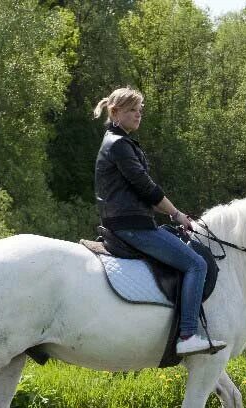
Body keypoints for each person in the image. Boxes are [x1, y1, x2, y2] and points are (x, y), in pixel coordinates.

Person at [92, 87, 226, 356]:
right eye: (132, 110)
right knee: (196, 264)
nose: (138, 114)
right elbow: (147, 188)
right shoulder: (118, 145)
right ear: (115, 112)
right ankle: (187, 335)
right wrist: (176, 214)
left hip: (130, 220)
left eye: (140, 110)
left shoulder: (119, 142)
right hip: (132, 225)